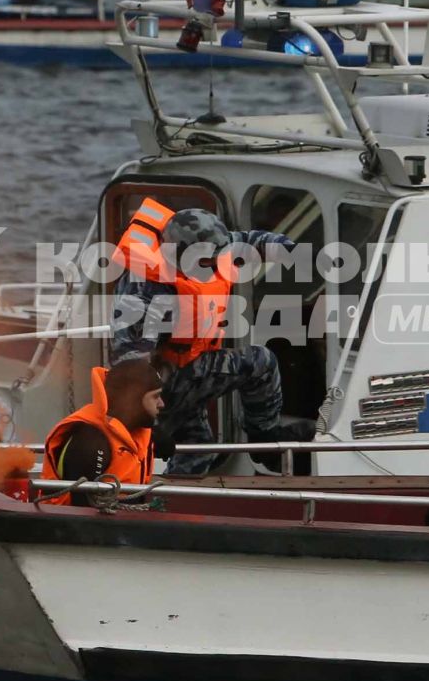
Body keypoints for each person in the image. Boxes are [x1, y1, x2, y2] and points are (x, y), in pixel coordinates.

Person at [110, 198, 294, 475]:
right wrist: (149, 425)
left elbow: (248, 240)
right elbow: (131, 367)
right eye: (207, 262)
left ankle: (174, 498)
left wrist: (289, 249)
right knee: (260, 362)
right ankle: (265, 440)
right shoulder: (144, 293)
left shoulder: (209, 244)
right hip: (161, 380)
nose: (214, 265)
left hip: (192, 363)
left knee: (198, 444)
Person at [41, 358, 166, 499]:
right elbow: (82, 512)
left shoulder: (136, 431)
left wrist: (156, 438)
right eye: (155, 396)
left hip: (128, 516)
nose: (162, 404)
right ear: (133, 401)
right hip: (76, 519)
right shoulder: (89, 443)